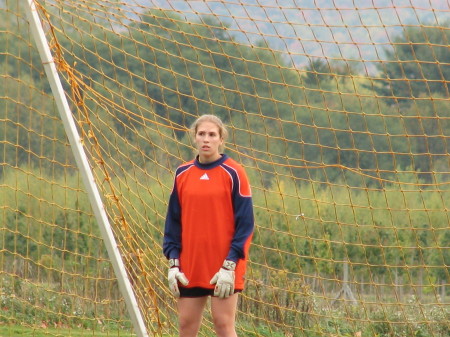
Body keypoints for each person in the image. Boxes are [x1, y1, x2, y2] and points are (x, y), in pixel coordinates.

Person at [163, 114, 254, 337]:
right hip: (191, 264)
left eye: (212, 135)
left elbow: (246, 224)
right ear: (194, 137)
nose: (206, 139)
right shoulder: (182, 173)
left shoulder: (235, 172)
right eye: (201, 134)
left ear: (221, 139)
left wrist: (230, 264)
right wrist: (173, 261)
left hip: (224, 266)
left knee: (223, 325)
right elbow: (173, 222)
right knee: (186, 325)